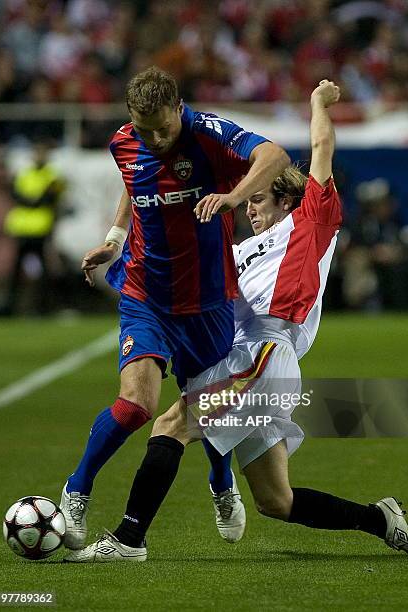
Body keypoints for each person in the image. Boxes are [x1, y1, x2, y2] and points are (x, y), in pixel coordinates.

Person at [65, 80, 408, 562]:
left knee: (171, 425)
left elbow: (320, 149)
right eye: (250, 202)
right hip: (249, 360)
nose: (251, 210)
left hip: (265, 356)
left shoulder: (310, 225)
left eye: (259, 201)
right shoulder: (239, 253)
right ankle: (379, 519)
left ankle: (128, 540)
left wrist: (318, 103)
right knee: (276, 501)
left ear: (284, 200)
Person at [60, 66, 290, 549]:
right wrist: (115, 239)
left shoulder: (208, 135)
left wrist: (233, 196)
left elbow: (275, 155)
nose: (156, 138)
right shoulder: (124, 141)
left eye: (164, 127)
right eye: (146, 130)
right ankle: (77, 489)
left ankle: (221, 483)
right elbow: (135, 182)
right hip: (146, 295)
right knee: (136, 405)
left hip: (207, 301)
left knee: (203, 408)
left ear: (178, 108)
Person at [0, 141, 64, 316]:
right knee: (16, 272)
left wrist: (31, 200)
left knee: (44, 273)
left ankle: (42, 307)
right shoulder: (25, 174)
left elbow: (47, 199)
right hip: (23, 228)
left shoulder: (54, 176)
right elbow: (17, 195)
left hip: (41, 229)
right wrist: (35, 200)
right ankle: (10, 307)